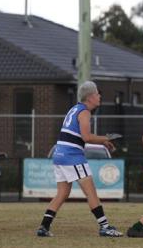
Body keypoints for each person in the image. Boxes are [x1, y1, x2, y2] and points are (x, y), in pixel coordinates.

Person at [36, 81, 122, 237]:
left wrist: (103, 140)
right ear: (89, 97)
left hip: (59, 155)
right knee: (91, 193)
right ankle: (104, 227)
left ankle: (44, 227)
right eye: (97, 93)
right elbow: (86, 137)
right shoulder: (84, 112)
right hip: (72, 156)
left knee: (62, 193)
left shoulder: (74, 109)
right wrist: (105, 138)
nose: (99, 96)